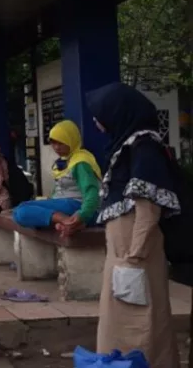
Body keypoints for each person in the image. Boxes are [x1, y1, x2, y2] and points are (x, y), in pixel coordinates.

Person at [86, 82, 179, 368]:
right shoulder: (126, 146)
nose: (96, 121)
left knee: (142, 321)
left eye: (101, 114)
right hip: (124, 252)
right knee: (119, 319)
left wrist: (134, 257)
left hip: (136, 253)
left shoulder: (143, 147)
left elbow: (148, 211)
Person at [12, 120, 101, 236]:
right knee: (21, 212)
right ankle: (64, 223)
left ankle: (65, 220)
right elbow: (58, 191)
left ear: (71, 141)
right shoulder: (64, 161)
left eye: (61, 143)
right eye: (53, 143)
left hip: (78, 206)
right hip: (67, 205)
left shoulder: (80, 162)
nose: (56, 147)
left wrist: (82, 215)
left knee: (22, 211)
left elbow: (92, 194)